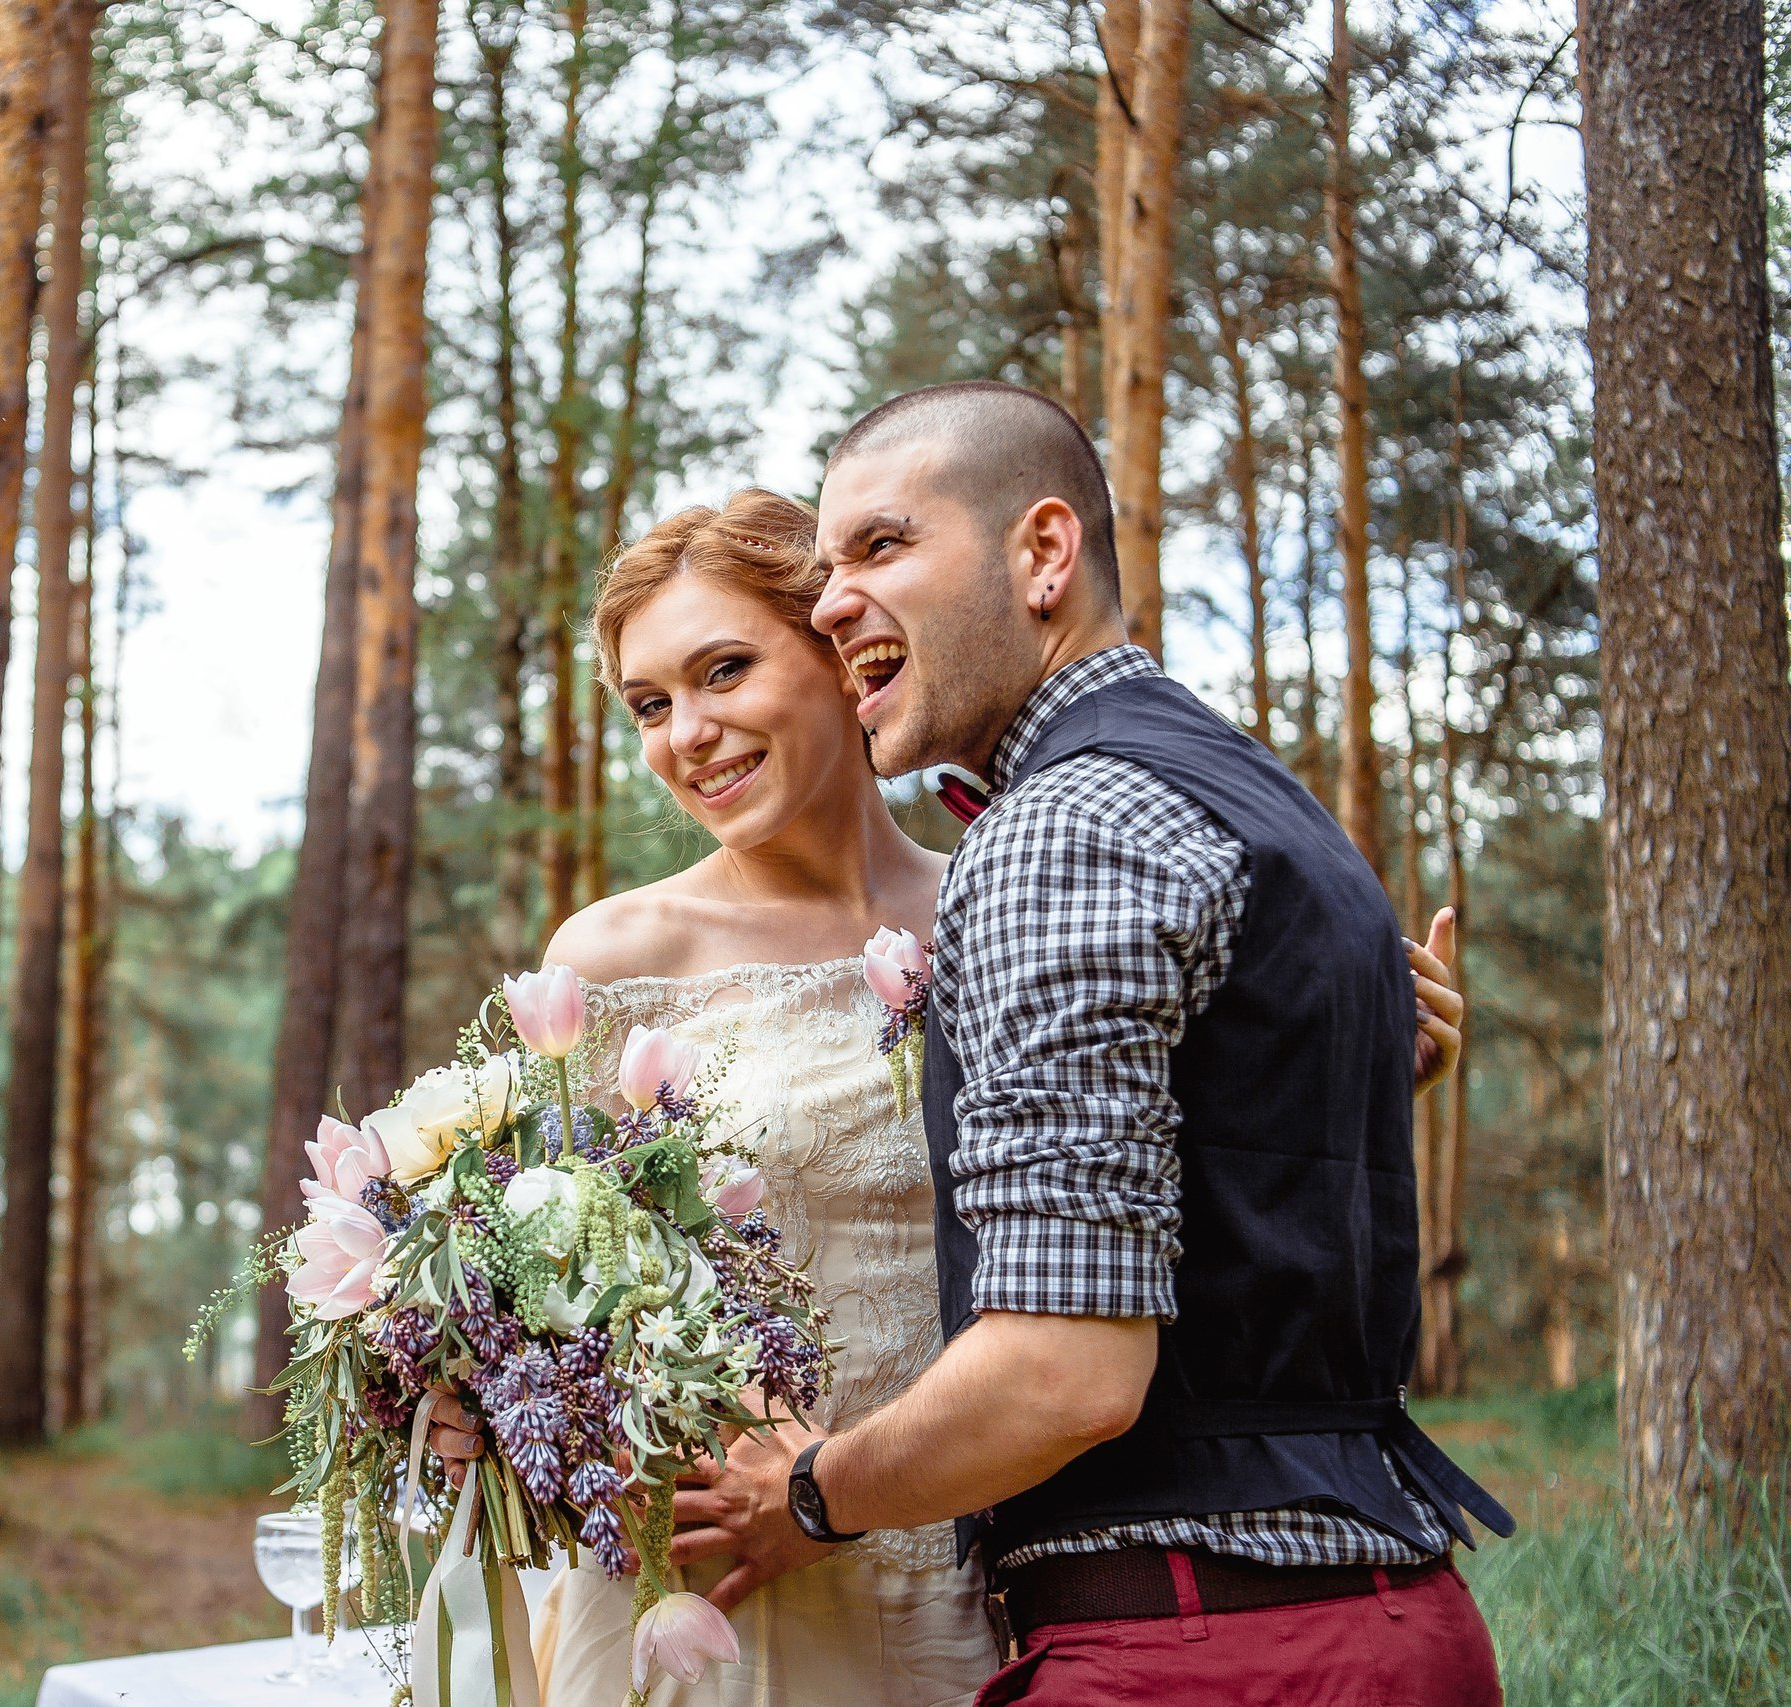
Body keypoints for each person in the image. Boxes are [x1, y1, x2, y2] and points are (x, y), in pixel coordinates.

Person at [428, 455, 1470, 1703]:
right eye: (648, 705)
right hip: (723, 1575)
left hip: (973, 1552)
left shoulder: (1012, 895)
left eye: (722, 671)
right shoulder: (610, 959)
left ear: (841, 650)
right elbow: (539, 1280)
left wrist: (1336, 1059)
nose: (686, 735)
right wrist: (459, 1360)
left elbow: (1107, 1208)